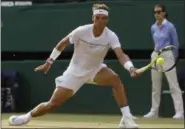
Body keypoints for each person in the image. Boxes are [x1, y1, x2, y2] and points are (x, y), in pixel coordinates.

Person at [8, 4, 139, 128]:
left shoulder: (111, 36)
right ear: (93, 18)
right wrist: (49, 61)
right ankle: (26, 117)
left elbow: (121, 55)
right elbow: (63, 43)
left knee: (115, 79)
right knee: (52, 104)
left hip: (96, 70)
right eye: (97, 18)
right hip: (74, 72)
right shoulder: (81, 31)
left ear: (107, 20)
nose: (100, 21)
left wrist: (131, 68)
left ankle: (126, 118)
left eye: (104, 18)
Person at [144, 4, 184, 119]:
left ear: (164, 13)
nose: (157, 14)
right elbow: (155, 41)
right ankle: (154, 112)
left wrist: (173, 57)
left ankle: (179, 112)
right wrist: (155, 54)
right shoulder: (153, 27)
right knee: (155, 86)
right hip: (156, 55)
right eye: (155, 12)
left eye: (159, 12)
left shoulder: (170, 26)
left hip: (168, 55)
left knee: (173, 85)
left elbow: (175, 43)